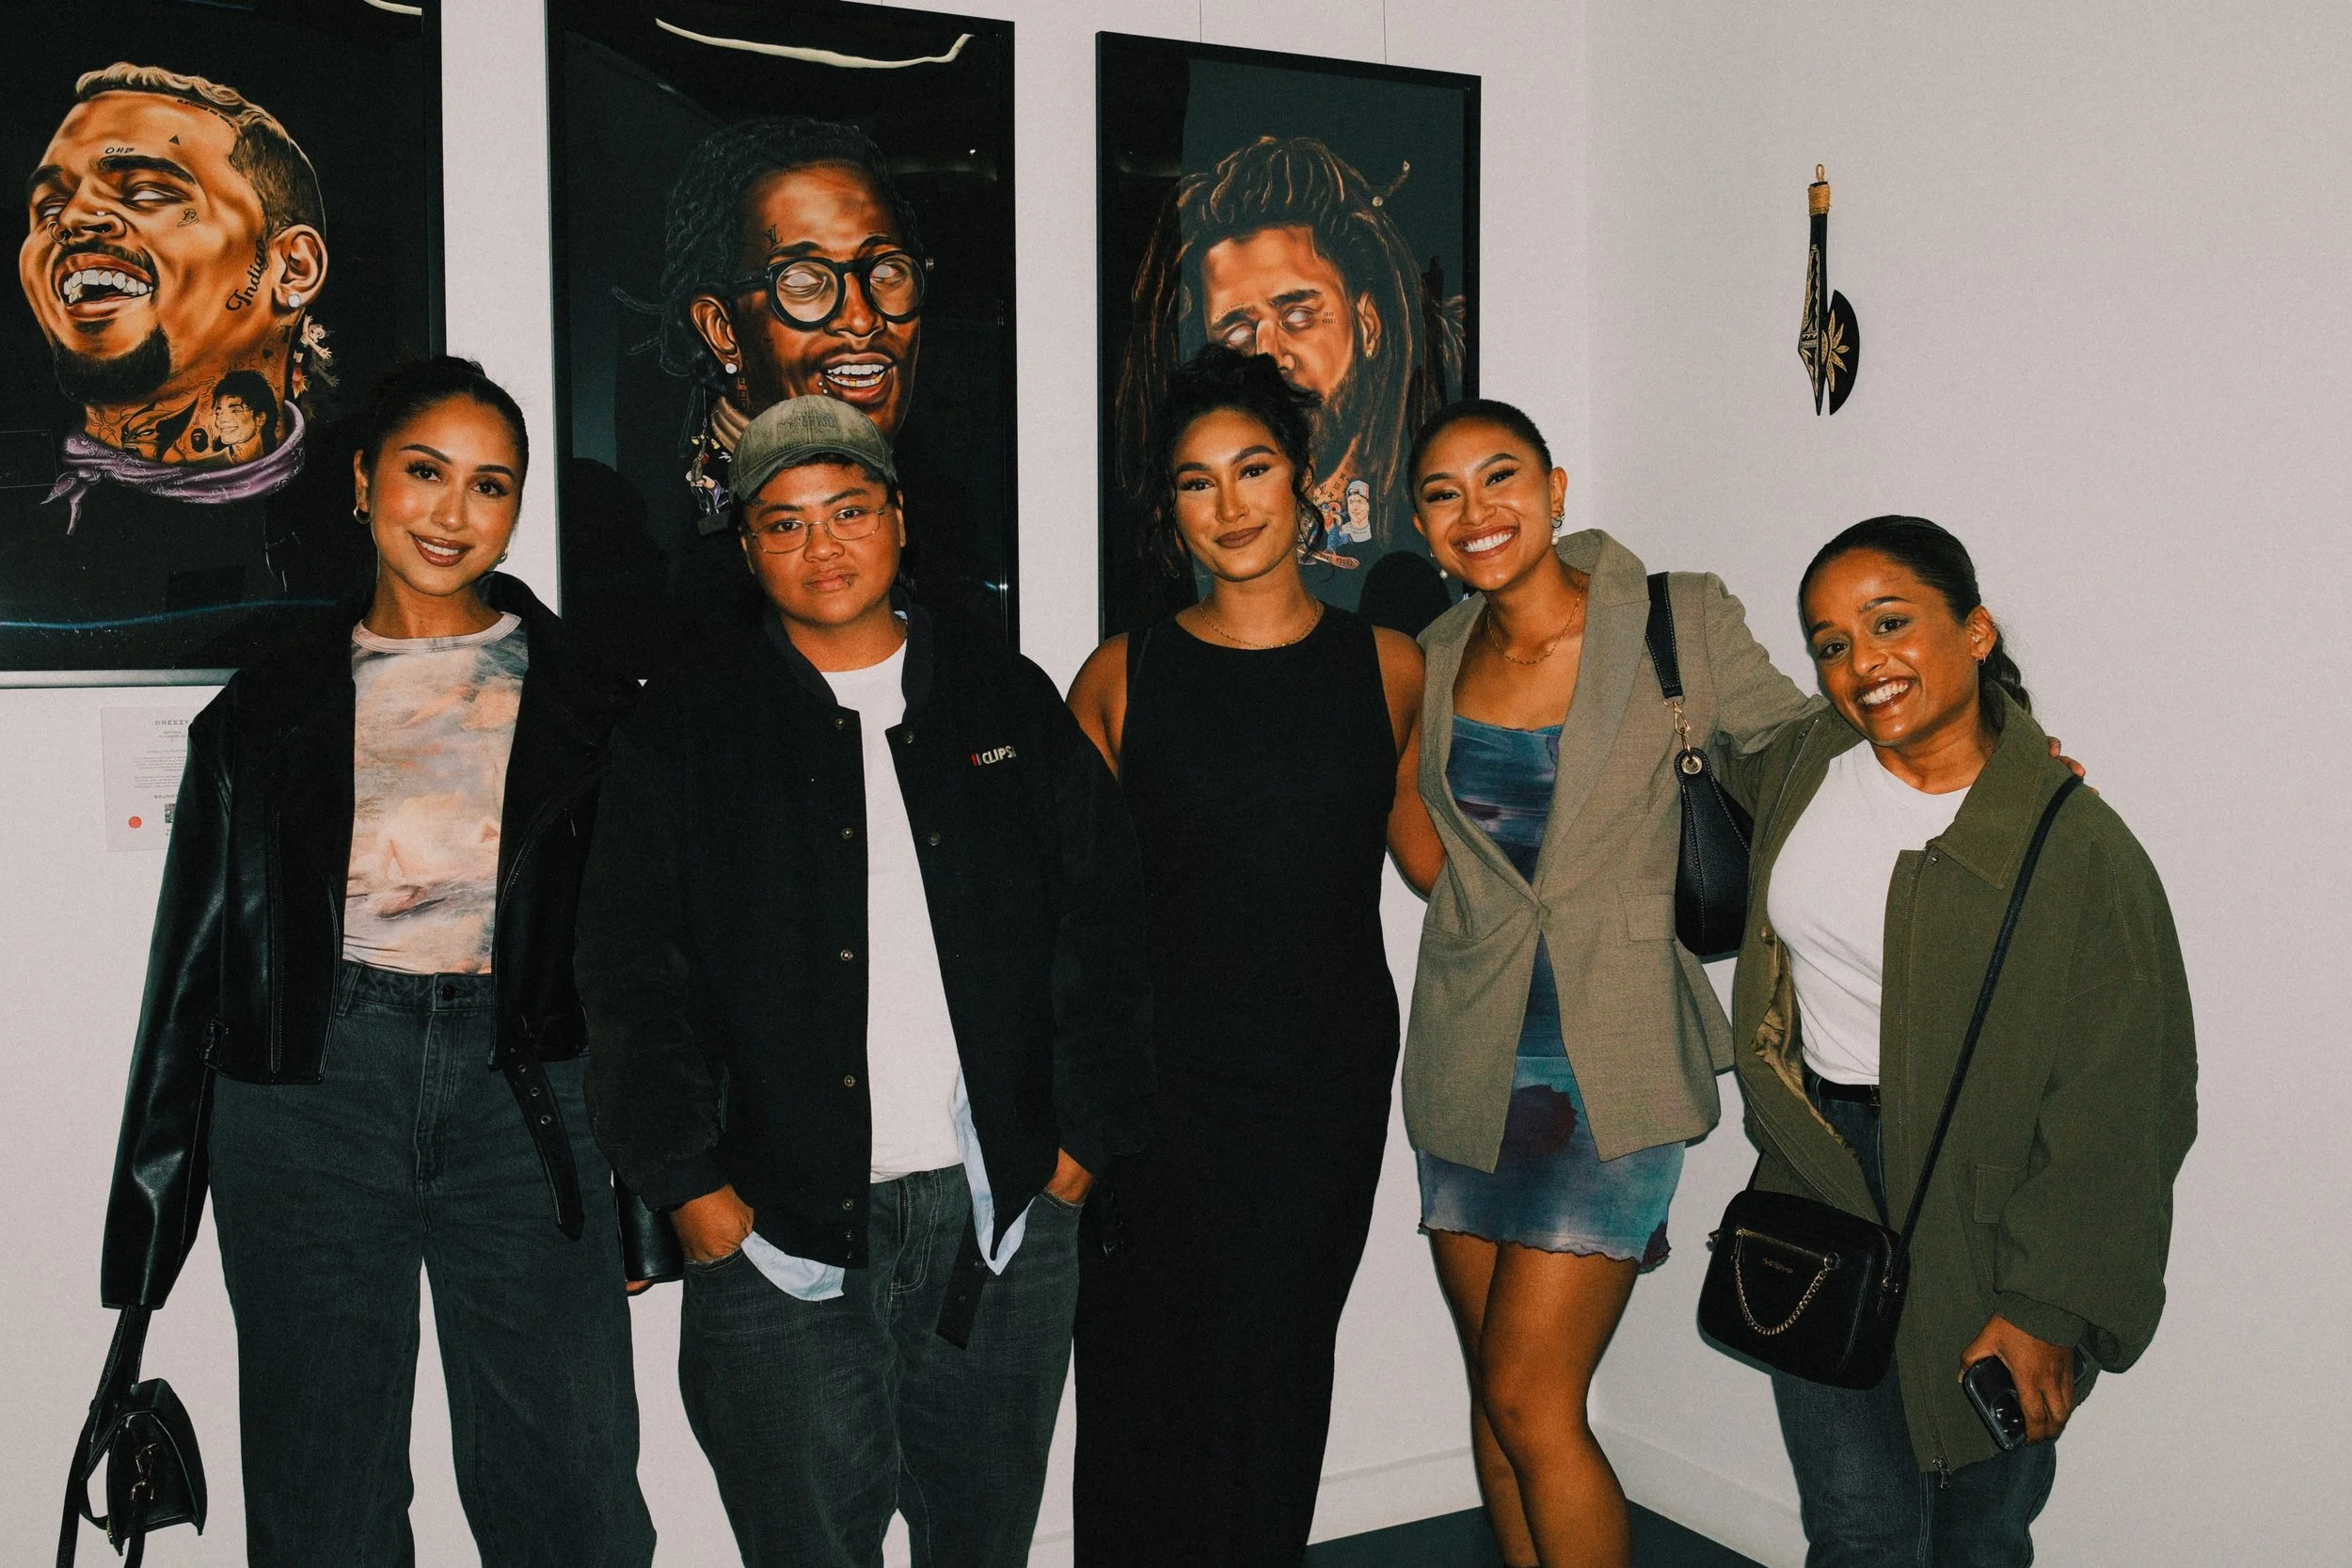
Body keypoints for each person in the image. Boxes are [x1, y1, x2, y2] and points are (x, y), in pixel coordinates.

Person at [96, 356, 656, 1566]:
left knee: (570, 1486)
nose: (453, 513)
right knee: (323, 1493)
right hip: (309, 1093)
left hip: (527, 1101)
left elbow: (644, 969)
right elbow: (192, 963)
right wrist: (147, 1223)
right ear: (361, 481)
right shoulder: (265, 705)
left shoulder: (594, 704)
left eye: (489, 485)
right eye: (424, 473)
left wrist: (654, 1196)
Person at [576, 395, 1152, 1568]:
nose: (820, 545)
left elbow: (1108, 927)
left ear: (897, 519)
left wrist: (1080, 1149)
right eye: (782, 523)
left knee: (979, 1541)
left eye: (847, 510)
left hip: (997, 1213)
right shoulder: (686, 724)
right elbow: (629, 970)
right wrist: (693, 1191)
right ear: (746, 549)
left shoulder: (1005, 700)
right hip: (773, 1225)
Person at [1725, 515, 2195, 1565]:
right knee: (1856, 1526)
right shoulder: (1808, 758)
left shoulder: (2072, 847)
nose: (1861, 662)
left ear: (1975, 630)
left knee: (1976, 1528)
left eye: (1889, 622)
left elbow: (2124, 1104)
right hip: (1822, 1177)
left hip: (1990, 1206)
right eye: (1832, 642)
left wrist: (2043, 1305)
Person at [1400, 399, 1813, 1568]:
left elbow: (1795, 747)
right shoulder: (1429, 656)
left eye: (1501, 477)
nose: (1477, 512)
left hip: (1612, 1059)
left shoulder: (1673, 616)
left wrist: (1974, 745)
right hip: (1467, 1057)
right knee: (1497, 1398)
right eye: (1443, 493)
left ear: (1555, 484)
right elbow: (1433, 861)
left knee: (1535, 1398)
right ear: (1421, 523)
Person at [1065, 344, 1443, 1566]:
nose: (1229, 503)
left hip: (1317, 1089)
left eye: (1254, 468)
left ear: (1306, 483)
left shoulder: (1388, 669)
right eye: (1195, 480)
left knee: (1276, 1378)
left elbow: (1444, 864)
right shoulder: (1124, 676)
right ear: (1167, 508)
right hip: (1156, 1091)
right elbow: (1070, 916)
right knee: (1139, 1380)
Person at [600, 115, 995, 657]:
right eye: (805, 282)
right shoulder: (662, 527)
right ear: (722, 328)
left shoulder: (952, 508)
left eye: (886, 273)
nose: (861, 319)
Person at [5, 62, 354, 673]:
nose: (73, 219)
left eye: (146, 191)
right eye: (50, 202)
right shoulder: (28, 546)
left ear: (292, 268)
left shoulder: (365, 532)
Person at [1112, 135, 1465, 618]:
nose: (1269, 355)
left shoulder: (1431, 531)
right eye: (1237, 333)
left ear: (1367, 324)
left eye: (1297, 315)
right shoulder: (1181, 574)